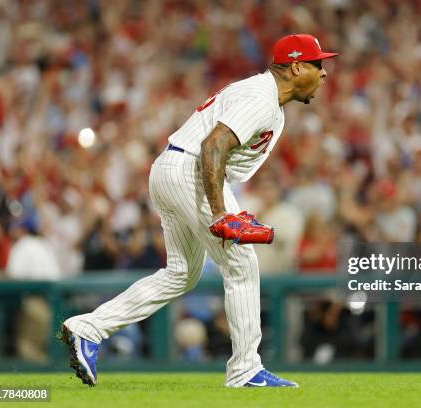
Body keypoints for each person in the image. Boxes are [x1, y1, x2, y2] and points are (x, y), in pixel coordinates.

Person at [60, 34, 337, 388]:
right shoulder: (262, 96)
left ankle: (88, 328)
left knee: (181, 274)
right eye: (318, 64)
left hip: (172, 168)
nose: (324, 73)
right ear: (296, 66)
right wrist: (221, 212)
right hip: (191, 168)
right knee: (242, 264)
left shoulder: (269, 101)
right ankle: (246, 370)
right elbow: (214, 146)